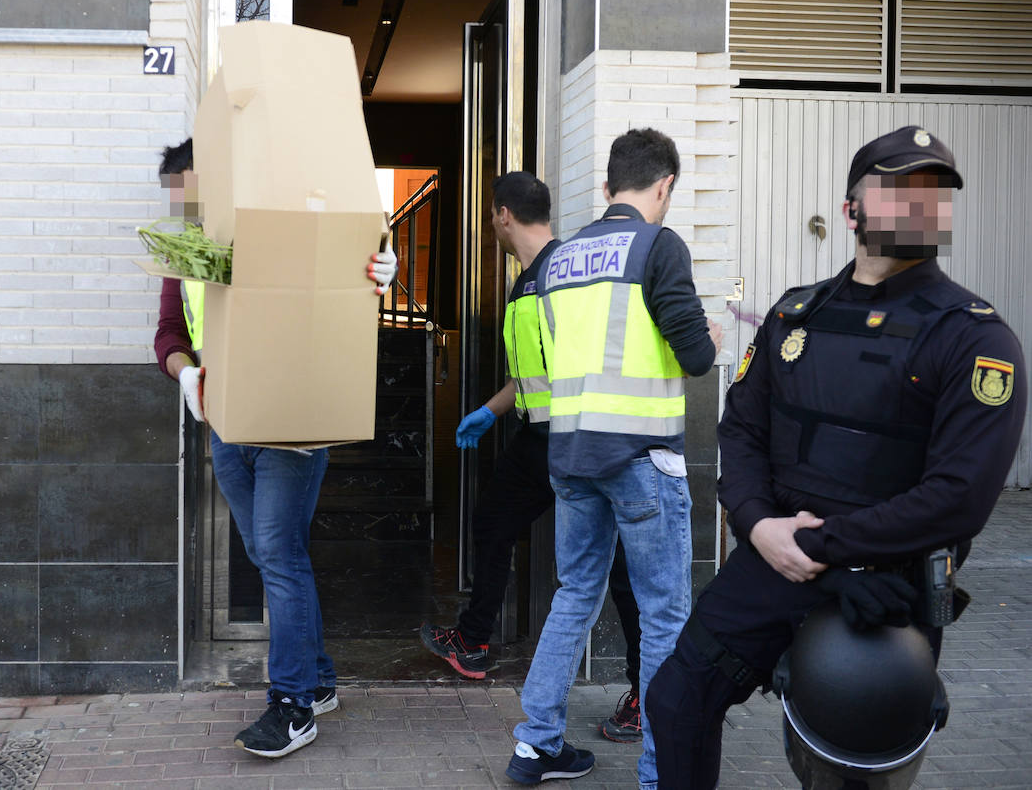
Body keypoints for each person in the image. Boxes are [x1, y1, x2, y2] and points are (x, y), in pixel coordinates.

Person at [644, 125, 1027, 790]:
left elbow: (959, 496)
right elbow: (741, 430)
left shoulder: (974, 336)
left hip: (883, 583)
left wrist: (820, 542)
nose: (923, 202)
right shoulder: (797, 315)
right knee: (677, 698)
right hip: (776, 559)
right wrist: (761, 525)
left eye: (936, 191)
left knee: (846, 761)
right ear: (852, 209)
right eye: (903, 187)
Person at [153, 138, 399, 759]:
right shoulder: (183, 255)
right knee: (271, 556)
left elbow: (348, 272)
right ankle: (316, 680)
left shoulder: (281, 232)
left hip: (290, 427)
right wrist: (184, 372)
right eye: (181, 200)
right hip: (226, 427)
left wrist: (381, 267)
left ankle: (291, 706)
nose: (188, 210)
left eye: (194, 194)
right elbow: (168, 334)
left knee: (281, 556)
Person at [507, 128, 721, 787]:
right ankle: (662, 771)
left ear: (607, 187)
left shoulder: (562, 257)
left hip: (571, 455)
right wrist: (709, 335)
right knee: (663, 614)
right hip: (640, 459)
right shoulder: (660, 246)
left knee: (575, 596)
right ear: (663, 187)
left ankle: (535, 743)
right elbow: (695, 355)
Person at [419, 170, 646, 744]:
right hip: (540, 435)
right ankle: (473, 640)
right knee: (495, 523)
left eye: (490, 215)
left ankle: (646, 693)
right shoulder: (528, 281)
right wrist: (491, 410)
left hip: (579, 438)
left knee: (618, 570)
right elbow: (531, 375)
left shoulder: (564, 274)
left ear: (501, 215)